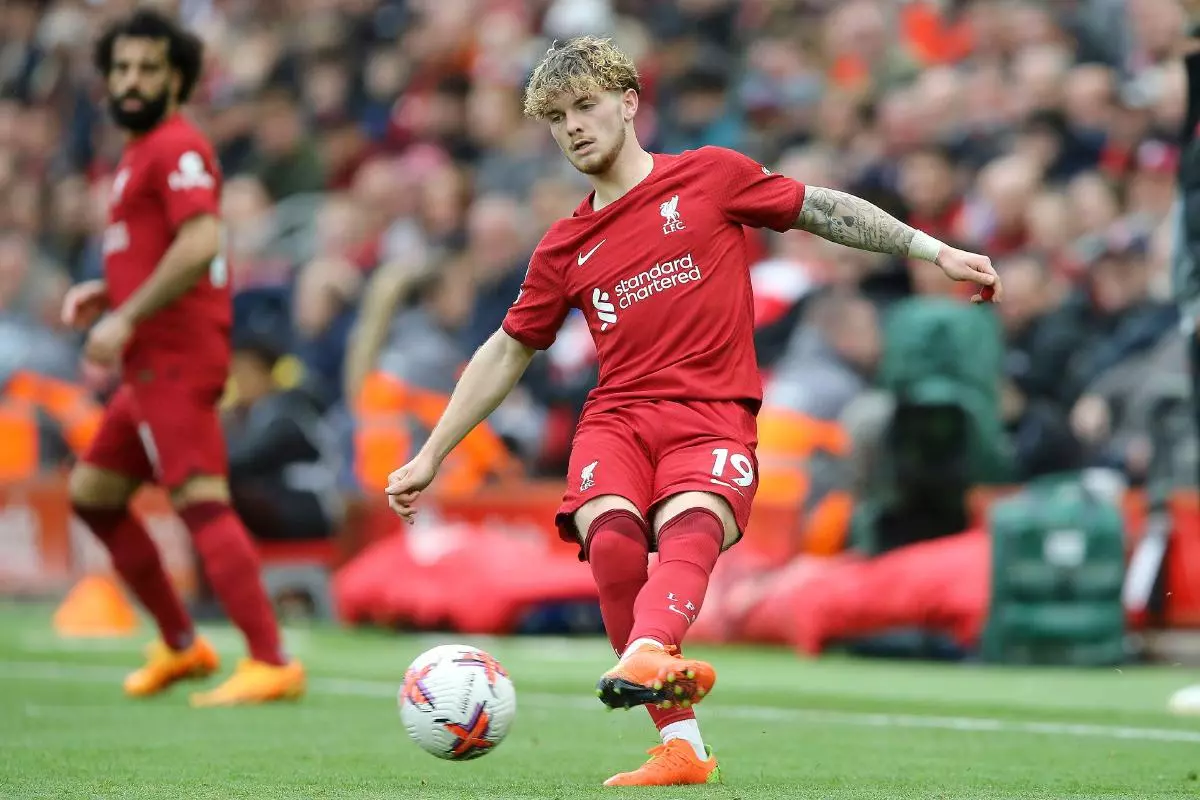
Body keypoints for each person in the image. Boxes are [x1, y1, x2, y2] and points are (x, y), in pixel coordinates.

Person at [385, 36, 1001, 786]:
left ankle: (653, 658)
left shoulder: (710, 177)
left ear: (629, 103)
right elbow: (508, 350)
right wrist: (431, 454)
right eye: (556, 117)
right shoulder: (563, 246)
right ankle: (680, 742)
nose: (574, 126)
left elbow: (822, 209)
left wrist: (932, 251)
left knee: (689, 522)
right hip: (617, 417)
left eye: (586, 106)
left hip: (712, 414)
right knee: (610, 545)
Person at [60, 9, 305, 707]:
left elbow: (200, 242)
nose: (132, 81)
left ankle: (270, 659)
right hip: (146, 364)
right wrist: (107, 290)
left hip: (176, 358)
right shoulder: (137, 153)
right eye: (122, 68)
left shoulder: (176, 145)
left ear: (177, 78)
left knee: (200, 501)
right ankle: (180, 644)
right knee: (93, 495)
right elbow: (160, 247)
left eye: (148, 69)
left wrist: (125, 315)